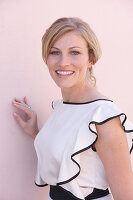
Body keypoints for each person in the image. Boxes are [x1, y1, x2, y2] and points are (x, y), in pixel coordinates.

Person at [12, 17, 133, 200]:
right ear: (46, 58)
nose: (63, 62)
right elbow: (72, 157)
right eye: (55, 52)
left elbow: (126, 196)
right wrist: (36, 133)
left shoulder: (103, 117)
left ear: (91, 58)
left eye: (74, 52)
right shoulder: (62, 106)